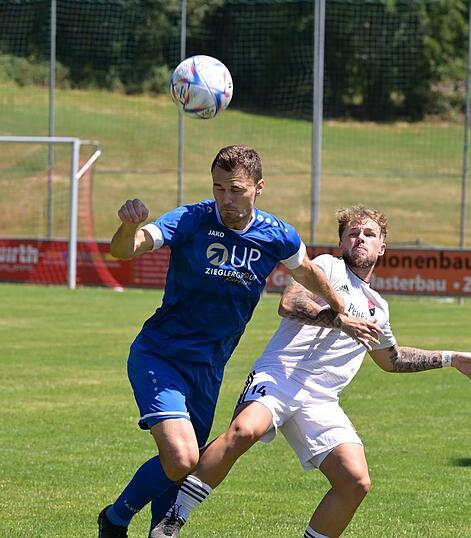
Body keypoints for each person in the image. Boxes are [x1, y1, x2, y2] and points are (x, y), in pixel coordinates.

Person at [149, 205, 471, 538]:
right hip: (281, 375)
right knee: (243, 431)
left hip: (322, 399)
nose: (360, 238)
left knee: (355, 481)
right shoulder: (326, 267)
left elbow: (392, 359)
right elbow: (290, 304)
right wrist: (339, 321)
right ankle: (172, 522)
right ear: (341, 243)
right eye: (352, 233)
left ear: (382, 247)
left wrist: (450, 358)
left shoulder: (379, 307)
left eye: (369, 234)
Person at [98, 146, 383, 537]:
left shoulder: (277, 234)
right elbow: (126, 249)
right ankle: (115, 518)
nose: (226, 199)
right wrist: (129, 227)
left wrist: (341, 310)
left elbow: (308, 274)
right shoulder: (191, 218)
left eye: (235, 189)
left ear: (258, 188)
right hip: (160, 354)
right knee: (182, 459)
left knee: (183, 464)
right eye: (218, 188)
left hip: (210, 366)